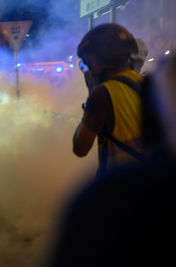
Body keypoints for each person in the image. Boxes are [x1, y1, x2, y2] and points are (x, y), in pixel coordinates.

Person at [46, 55, 176, 267]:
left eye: (88, 65)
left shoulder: (105, 196)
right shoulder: (140, 84)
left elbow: (80, 147)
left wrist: (91, 102)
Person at [73, 23, 148, 176]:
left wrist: (92, 93)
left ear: (96, 62)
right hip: (152, 184)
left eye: (88, 64)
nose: (89, 71)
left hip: (121, 188)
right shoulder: (145, 84)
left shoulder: (102, 94)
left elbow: (80, 148)